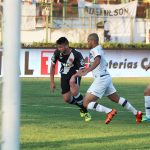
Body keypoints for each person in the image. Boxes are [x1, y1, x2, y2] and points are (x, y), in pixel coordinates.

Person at [76, 33, 142, 124]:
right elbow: (96, 61)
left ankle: (109, 111)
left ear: (92, 41)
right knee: (116, 99)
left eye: (88, 41)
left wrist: (88, 70)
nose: (87, 43)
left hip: (101, 79)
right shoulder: (98, 48)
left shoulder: (94, 50)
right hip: (106, 77)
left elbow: (97, 60)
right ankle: (137, 113)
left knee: (86, 103)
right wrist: (86, 69)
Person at [50, 37, 91, 122]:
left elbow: (82, 70)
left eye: (61, 47)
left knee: (74, 91)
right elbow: (52, 66)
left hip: (75, 75)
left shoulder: (76, 54)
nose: (59, 49)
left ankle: (85, 111)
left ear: (66, 46)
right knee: (66, 99)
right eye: (58, 47)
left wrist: (74, 76)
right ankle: (82, 107)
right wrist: (52, 82)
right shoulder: (57, 52)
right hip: (64, 76)